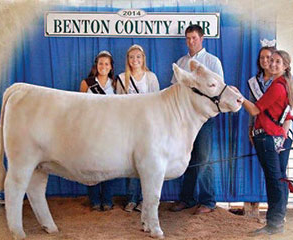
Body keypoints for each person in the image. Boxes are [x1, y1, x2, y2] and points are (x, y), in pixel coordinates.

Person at [169, 24, 224, 214]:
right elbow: (174, 89)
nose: (191, 41)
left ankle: (208, 201)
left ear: (202, 39)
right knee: (186, 157)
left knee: (204, 158)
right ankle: (187, 198)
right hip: (183, 119)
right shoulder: (182, 62)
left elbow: (218, 91)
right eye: (188, 38)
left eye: (194, 38)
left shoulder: (212, 61)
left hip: (203, 118)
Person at [241, 50, 293, 235]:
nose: (272, 64)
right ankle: (276, 222)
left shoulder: (277, 86)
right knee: (277, 179)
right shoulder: (284, 85)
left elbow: (255, 110)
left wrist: (239, 98)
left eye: (278, 62)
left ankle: (274, 224)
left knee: (274, 180)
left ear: (285, 66)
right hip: (275, 136)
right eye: (271, 61)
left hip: (268, 136)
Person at [116, 44, 160, 212]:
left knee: (148, 162)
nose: (135, 60)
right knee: (132, 162)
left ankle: (145, 200)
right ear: (128, 60)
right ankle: (132, 198)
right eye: (132, 57)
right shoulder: (121, 78)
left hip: (148, 126)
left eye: (138, 57)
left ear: (143, 59)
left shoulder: (151, 77)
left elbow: (157, 101)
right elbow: (118, 102)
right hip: (129, 125)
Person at [80, 50, 116, 211]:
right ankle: (94, 199)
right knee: (91, 163)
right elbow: (79, 106)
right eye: (100, 63)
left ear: (110, 67)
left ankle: (107, 199)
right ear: (96, 65)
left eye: (106, 64)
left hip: (110, 128)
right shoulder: (86, 83)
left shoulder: (115, 84)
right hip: (90, 128)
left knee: (109, 164)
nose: (103, 66)